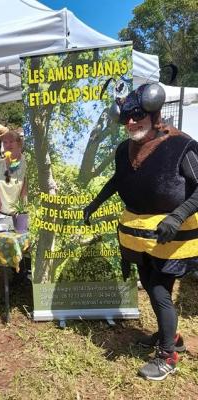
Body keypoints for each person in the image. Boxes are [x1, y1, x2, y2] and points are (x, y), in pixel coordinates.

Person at [83, 83, 198, 381]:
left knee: (160, 291)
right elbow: (118, 180)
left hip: (170, 235)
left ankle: (167, 357)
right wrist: (95, 203)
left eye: (137, 115)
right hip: (140, 233)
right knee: (149, 284)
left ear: (153, 112)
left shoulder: (180, 144)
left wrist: (178, 215)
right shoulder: (126, 149)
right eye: (126, 118)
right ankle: (170, 336)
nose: (131, 122)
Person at [0, 128, 27, 215]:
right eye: (5, 142)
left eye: (12, 141)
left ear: (19, 144)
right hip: (2, 214)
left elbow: (24, 192)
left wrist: (22, 213)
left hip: (20, 215)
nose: (8, 145)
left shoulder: (26, 163)